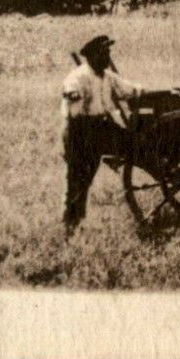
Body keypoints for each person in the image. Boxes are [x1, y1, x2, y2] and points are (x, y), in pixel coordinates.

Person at [60, 34, 142, 233]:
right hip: (80, 131)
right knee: (78, 180)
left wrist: (145, 92)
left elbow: (129, 90)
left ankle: (125, 159)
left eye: (108, 53)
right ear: (93, 56)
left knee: (134, 143)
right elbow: (72, 104)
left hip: (99, 128)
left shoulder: (108, 77)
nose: (108, 57)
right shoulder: (78, 77)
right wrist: (75, 97)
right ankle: (71, 225)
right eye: (104, 53)